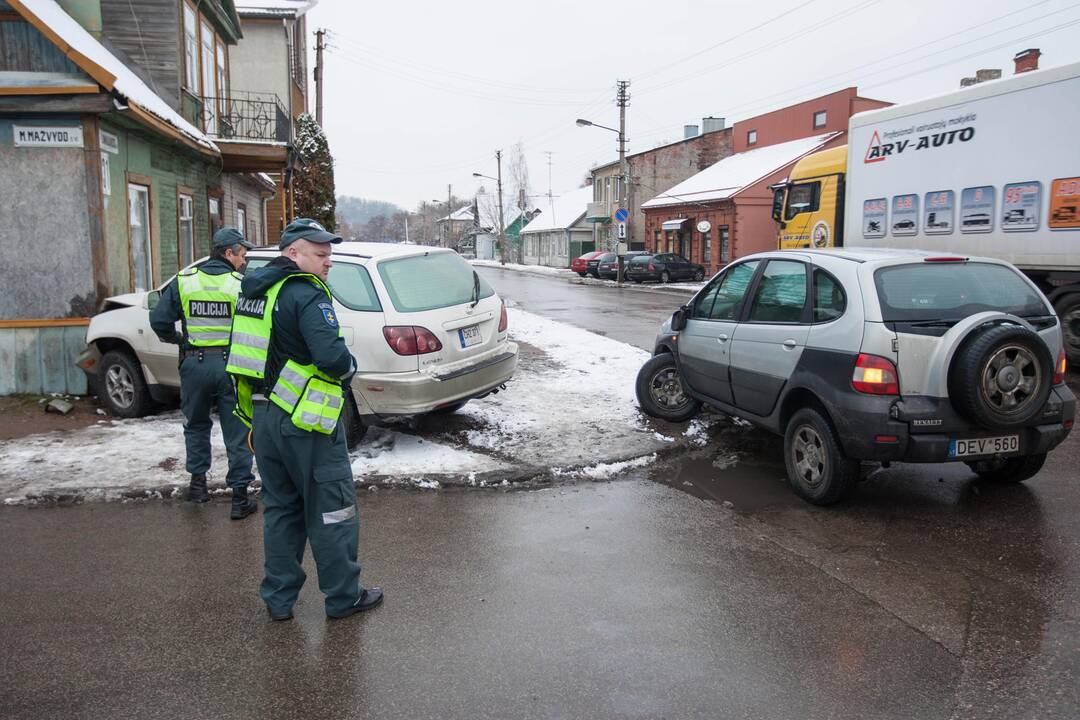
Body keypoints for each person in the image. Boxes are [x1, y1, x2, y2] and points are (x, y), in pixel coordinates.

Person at [227, 218, 382, 621]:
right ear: (293, 253)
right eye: (320, 254)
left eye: (329, 253)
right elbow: (331, 359)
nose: (328, 261)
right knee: (333, 508)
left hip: (263, 417)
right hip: (305, 420)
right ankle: (343, 597)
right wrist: (349, 366)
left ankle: (279, 601)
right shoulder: (305, 294)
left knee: (280, 510)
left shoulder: (254, 291)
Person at [150, 227, 258, 520]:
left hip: (194, 364)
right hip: (230, 367)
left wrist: (179, 340)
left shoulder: (185, 282)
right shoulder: (239, 284)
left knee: (196, 425)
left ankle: (198, 487)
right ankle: (239, 499)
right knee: (237, 431)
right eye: (241, 255)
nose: (244, 261)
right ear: (227, 254)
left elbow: (158, 319)